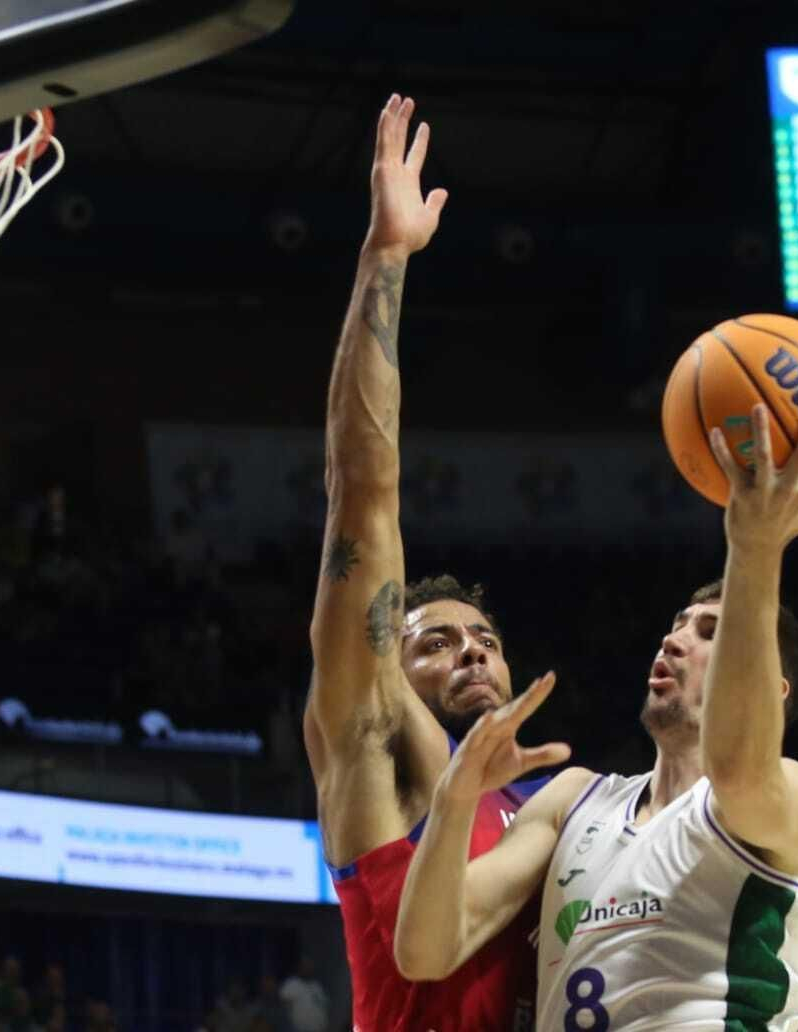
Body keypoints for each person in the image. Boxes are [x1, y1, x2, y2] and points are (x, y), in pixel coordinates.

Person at [394, 402, 798, 1030]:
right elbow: (425, 950)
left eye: (711, 631)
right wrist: (455, 794)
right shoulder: (574, 799)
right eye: (675, 627)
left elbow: (739, 767)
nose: (673, 641)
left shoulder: (787, 796)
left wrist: (755, 549)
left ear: (769, 687)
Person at [303, 93, 544, 1032]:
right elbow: (362, 488)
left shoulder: (543, 815)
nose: (472, 653)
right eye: (436, 642)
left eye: (482, 638)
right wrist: (386, 259)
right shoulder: (374, 747)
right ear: (386, 665)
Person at [276, 956, 327, 1032]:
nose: (307, 968)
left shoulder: (316, 986)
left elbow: (324, 1005)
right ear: (299, 967)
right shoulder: (291, 984)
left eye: (309, 966)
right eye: (305, 966)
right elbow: (281, 1006)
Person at [0, 956, 29, 1032]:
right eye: (10, 969)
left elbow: (24, 1014)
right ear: (3, 970)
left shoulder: (21, 991)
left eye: (16, 970)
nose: (13, 973)